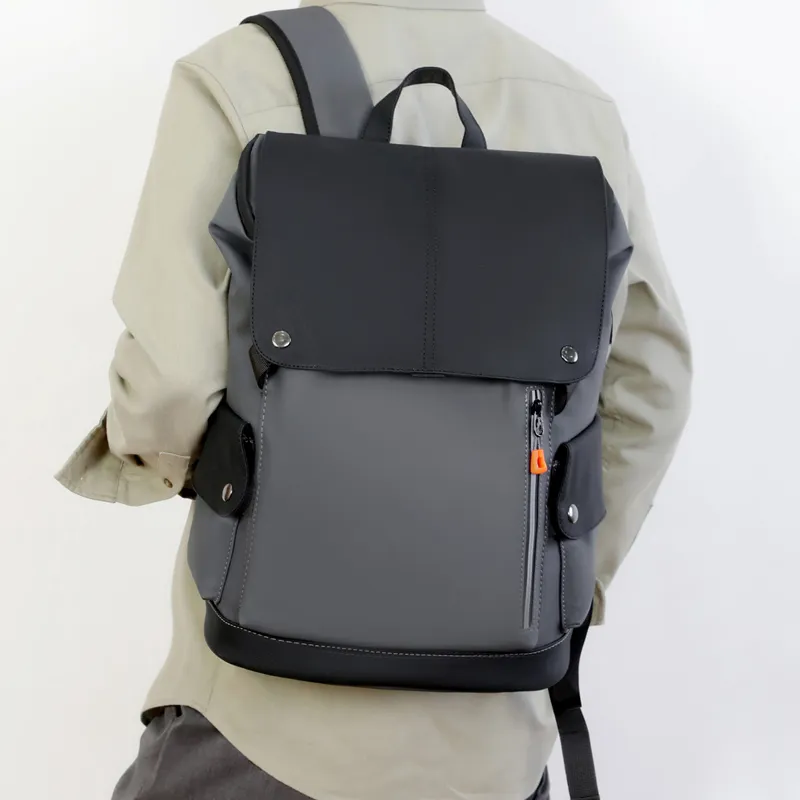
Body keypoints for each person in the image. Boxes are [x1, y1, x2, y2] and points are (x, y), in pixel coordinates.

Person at [56, 1, 692, 798]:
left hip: (260, 727)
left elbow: (171, 385)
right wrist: (556, 568)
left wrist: (190, 468)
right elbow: (654, 380)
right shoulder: (576, 105)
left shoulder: (236, 75)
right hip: (494, 747)